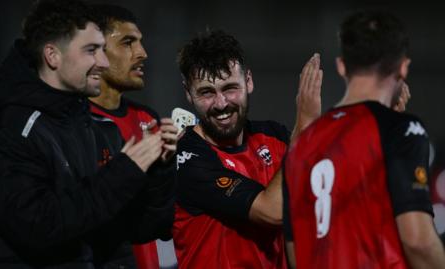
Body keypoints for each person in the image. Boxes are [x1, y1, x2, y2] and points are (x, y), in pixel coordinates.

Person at [0, 0, 173, 268]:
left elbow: (134, 230)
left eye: (102, 49)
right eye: (91, 50)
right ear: (52, 56)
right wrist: (124, 172)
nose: (102, 61)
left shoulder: (87, 125)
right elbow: (39, 228)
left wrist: (158, 171)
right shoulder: (13, 130)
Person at [284, 10, 445, 268]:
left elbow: (295, 251)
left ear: (341, 66)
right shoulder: (402, 129)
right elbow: (419, 242)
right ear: (403, 67)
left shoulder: (299, 145)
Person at [172, 30, 322, 268]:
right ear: (188, 93)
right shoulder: (187, 158)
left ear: (249, 81)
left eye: (230, 88)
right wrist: (305, 126)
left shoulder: (275, 137)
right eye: (206, 92)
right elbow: (272, 211)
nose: (221, 104)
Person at [89, 4, 178, 269]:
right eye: (128, 42)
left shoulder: (147, 119)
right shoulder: (75, 123)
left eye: (140, 42)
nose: (142, 53)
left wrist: (164, 170)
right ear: (96, 51)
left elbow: (161, 219)